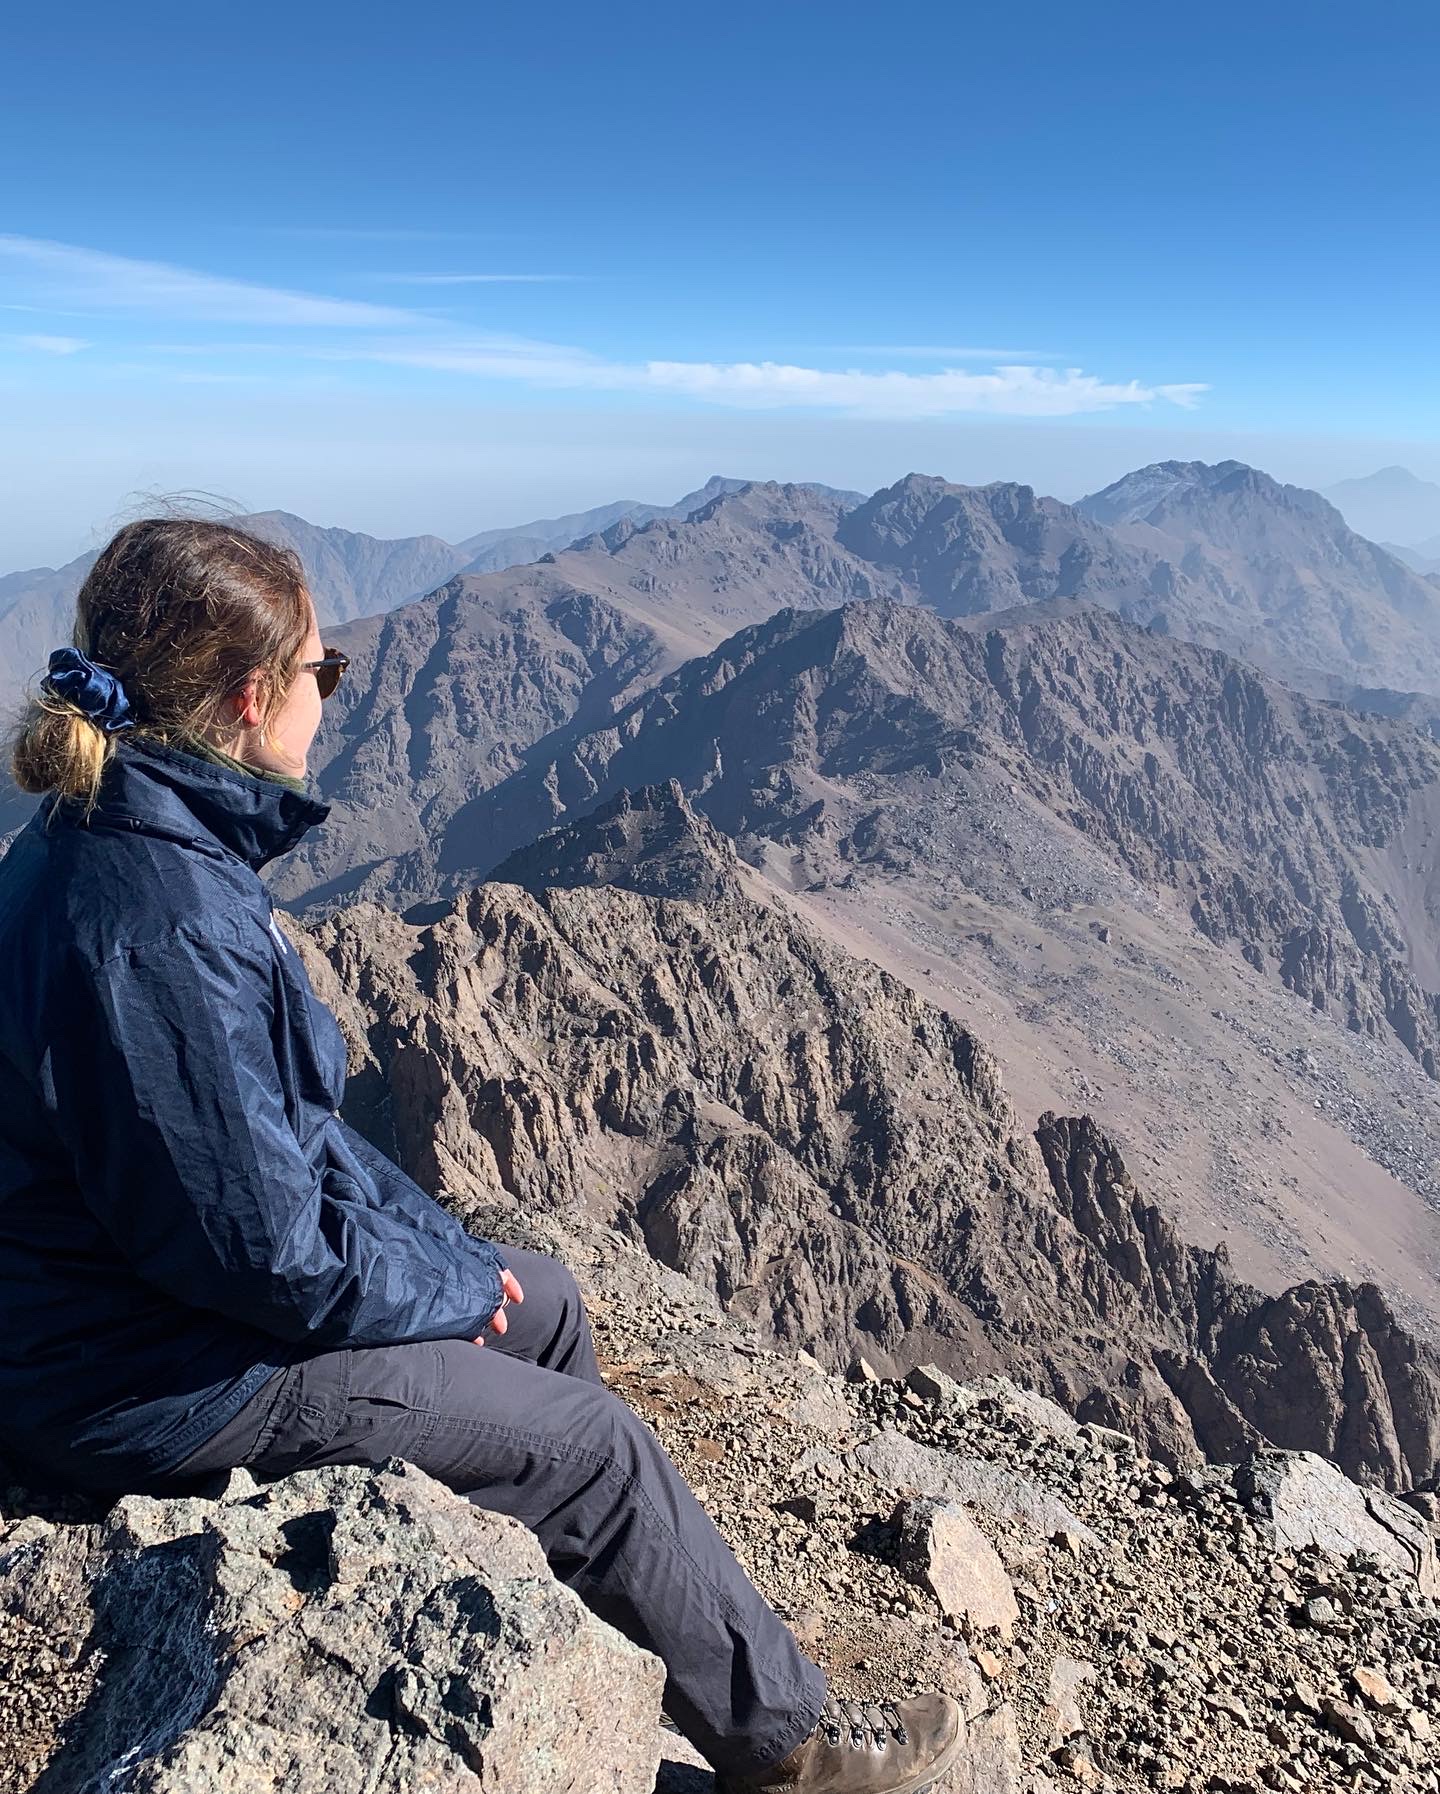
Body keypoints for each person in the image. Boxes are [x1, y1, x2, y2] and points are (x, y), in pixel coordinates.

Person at [0, 517, 965, 1794]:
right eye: (322, 674)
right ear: (248, 700)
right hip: (148, 1382)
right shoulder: (156, 925)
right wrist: (443, 1294)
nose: (331, 697)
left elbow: (282, 1147)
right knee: (597, 1452)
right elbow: (257, 1253)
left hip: (151, 1317)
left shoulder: (134, 838)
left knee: (548, 1303)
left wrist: (452, 1260)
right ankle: (792, 1751)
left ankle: (618, 1637)